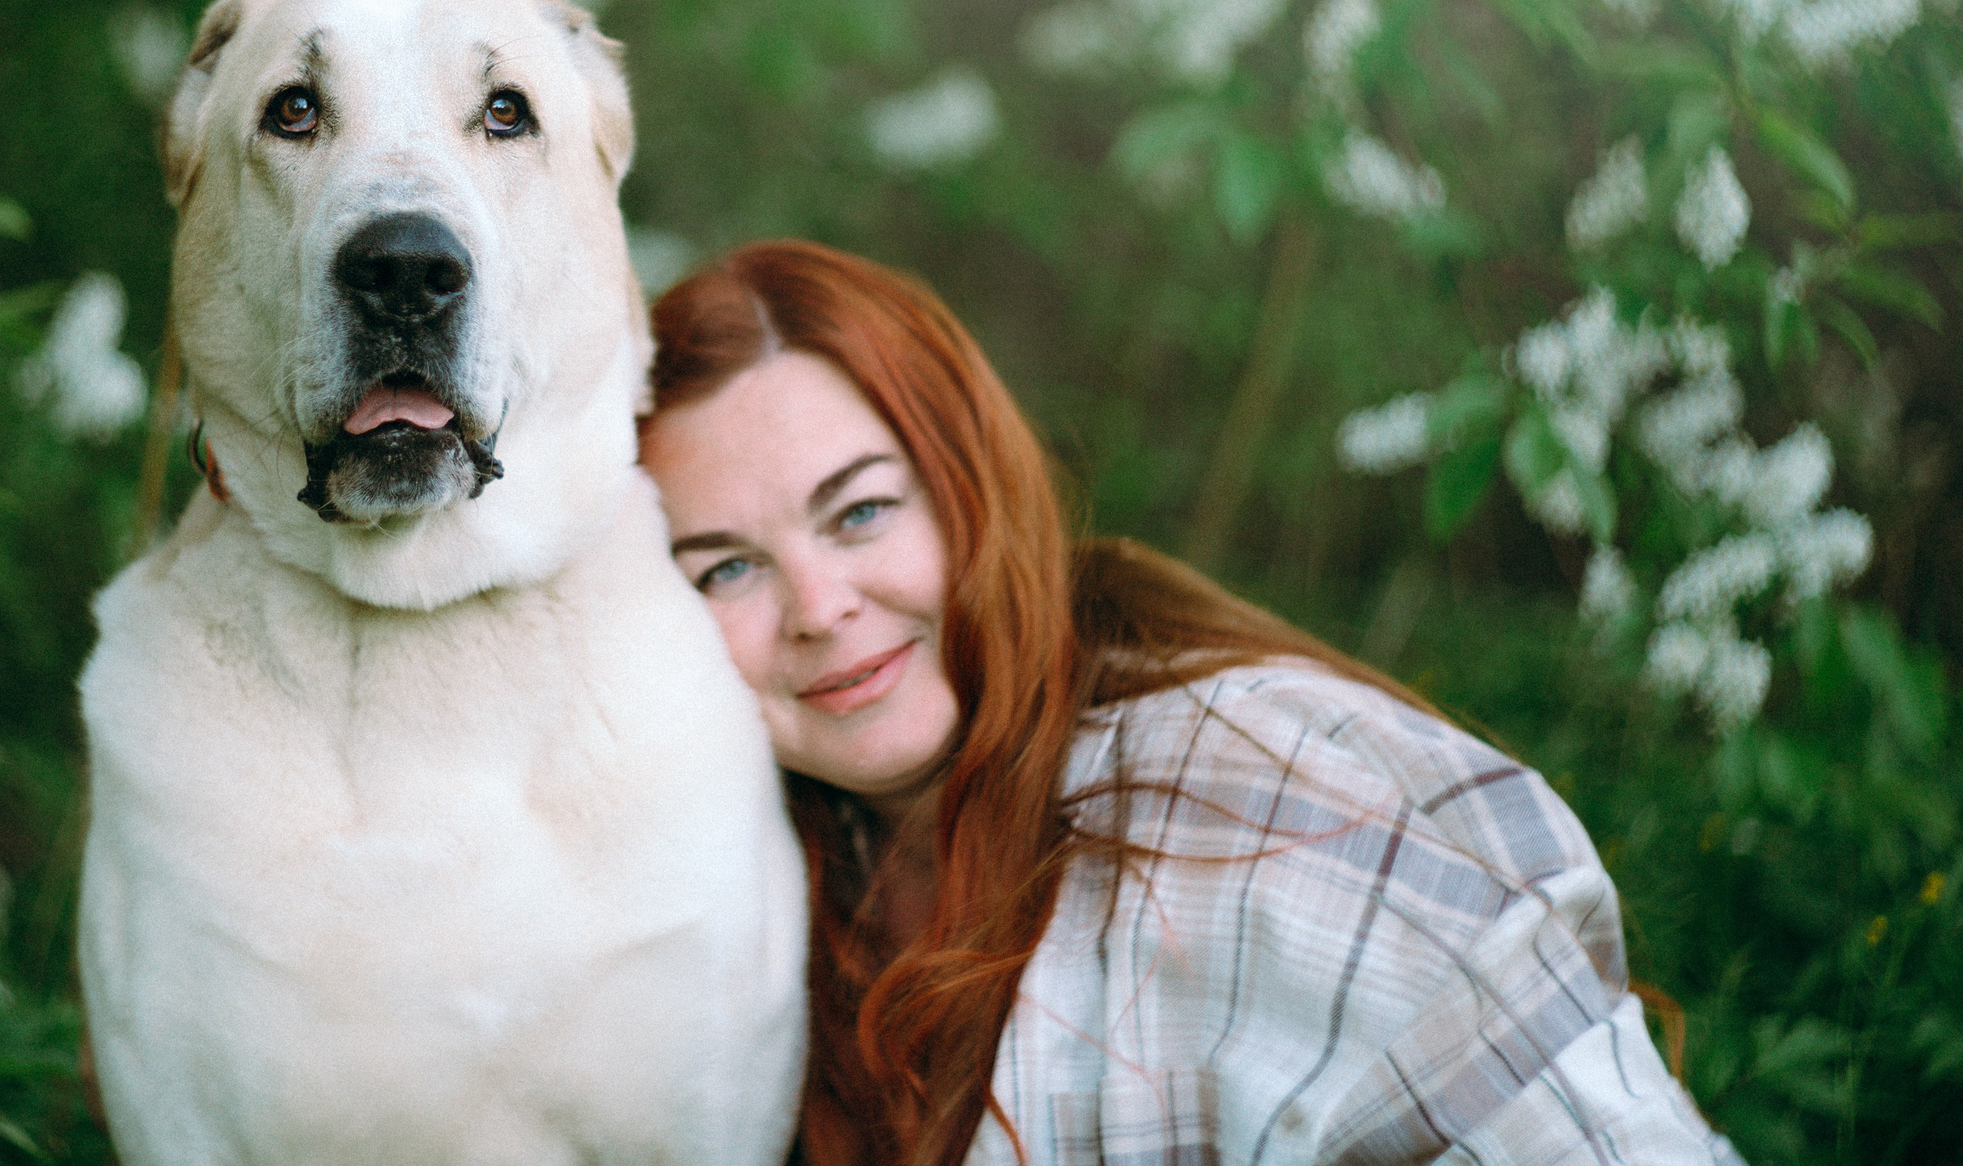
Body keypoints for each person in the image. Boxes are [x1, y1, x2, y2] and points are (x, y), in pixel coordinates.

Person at [638, 239, 1741, 1166]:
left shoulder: (1259, 796)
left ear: (973, 487)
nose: (819, 608)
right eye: (724, 570)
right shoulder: (751, 884)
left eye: (862, 512)